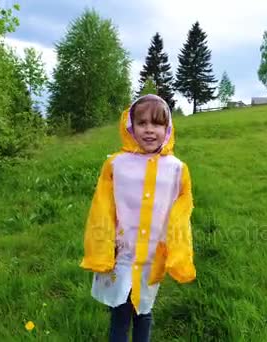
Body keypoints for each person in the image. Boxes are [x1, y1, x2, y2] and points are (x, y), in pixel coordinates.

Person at [80, 94, 196, 342]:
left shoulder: (176, 169)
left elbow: (181, 212)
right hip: (120, 252)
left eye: (157, 124)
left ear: (168, 128)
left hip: (153, 255)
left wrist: (177, 251)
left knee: (144, 309)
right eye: (142, 123)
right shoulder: (116, 165)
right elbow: (102, 208)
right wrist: (101, 246)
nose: (149, 130)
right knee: (119, 311)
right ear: (130, 126)